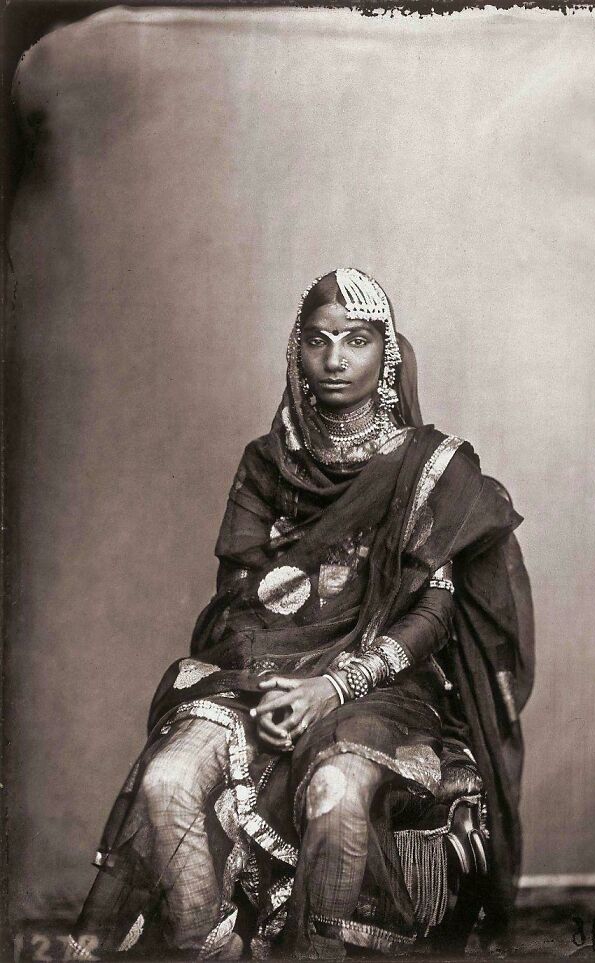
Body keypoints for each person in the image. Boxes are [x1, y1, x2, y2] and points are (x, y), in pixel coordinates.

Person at [69, 269, 534, 961]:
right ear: (298, 351)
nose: (336, 359)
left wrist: (333, 686)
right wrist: (273, 684)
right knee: (168, 779)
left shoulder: (427, 468)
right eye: (319, 341)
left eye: (356, 340)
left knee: (338, 788)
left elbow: (435, 610)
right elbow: (238, 602)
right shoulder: (265, 463)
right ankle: (209, 946)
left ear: (387, 354)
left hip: (377, 685)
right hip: (260, 679)